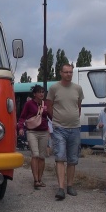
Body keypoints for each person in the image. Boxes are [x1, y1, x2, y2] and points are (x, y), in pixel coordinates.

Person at [46, 63, 84, 200]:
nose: (69, 74)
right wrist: (55, 119)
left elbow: (78, 106)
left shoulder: (78, 89)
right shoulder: (54, 88)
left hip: (74, 127)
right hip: (59, 128)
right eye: (66, 72)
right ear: (61, 73)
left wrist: (74, 118)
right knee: (60, 156)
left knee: (72, 159)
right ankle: (61, 188)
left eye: (70, 72)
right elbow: (48, 106)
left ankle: (70, 185)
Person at [17, 85, 50, 189]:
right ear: (34, 94)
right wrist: (20, 128)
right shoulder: (29, 104)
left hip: (44, 132)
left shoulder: (46, 104)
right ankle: (35, 180)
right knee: (35, 155)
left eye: (43, 92)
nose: (41, 94)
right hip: (32, 132)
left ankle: (40, 179)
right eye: (39, 92)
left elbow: (51, 116)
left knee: (42, 157)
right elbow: (22, 117)